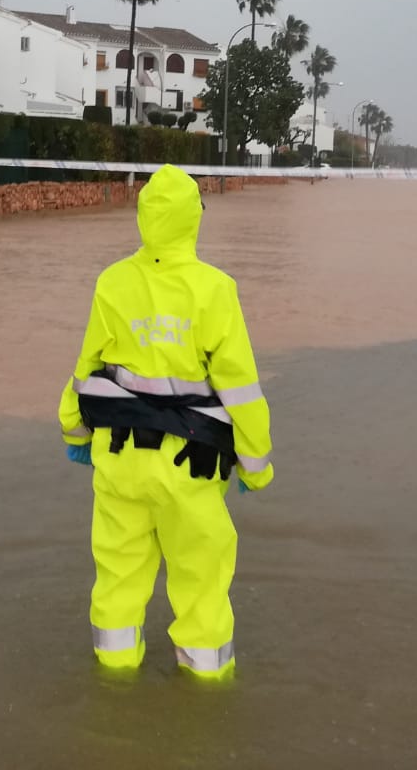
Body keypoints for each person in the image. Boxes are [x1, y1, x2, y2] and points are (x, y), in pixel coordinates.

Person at [58, 164, 274, 679]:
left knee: (117, 576)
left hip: (119, 462)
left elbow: (86, 369)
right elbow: (240, 388)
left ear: (143, 217)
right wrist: (256, 465)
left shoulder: (113, 282)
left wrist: (74, 431)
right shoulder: (215, 290)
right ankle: (205, 693)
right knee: (201, 581)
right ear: (193, 219)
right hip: (190, 469)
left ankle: (113, 678)